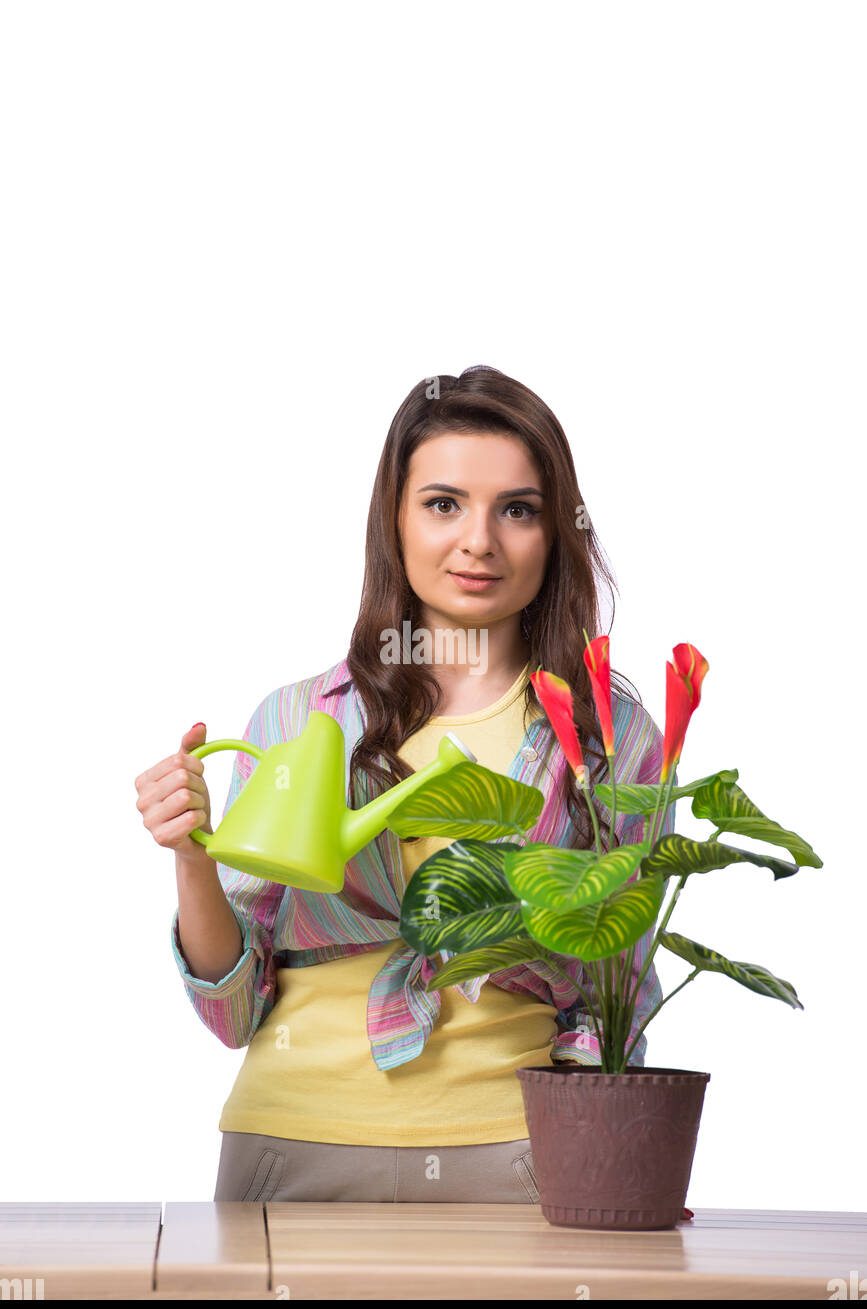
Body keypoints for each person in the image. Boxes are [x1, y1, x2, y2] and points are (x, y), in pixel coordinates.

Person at [134, 365, 675, 1204]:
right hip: (291, 1146)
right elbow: (232, 1016)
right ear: (395, 519)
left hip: (521, 1152)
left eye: (518, 509)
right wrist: (191, 857)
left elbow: (613, 1000)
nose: (479, 542)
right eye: (443, 503)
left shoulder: (607, 741)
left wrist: (613, 1163)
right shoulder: (295, 719)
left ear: (554, 531)